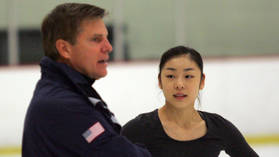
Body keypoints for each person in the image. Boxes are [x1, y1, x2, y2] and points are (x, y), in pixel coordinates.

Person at [22, 3, 152, 157]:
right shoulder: (63, 105)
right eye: (96, 40)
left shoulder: (70, 93)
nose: (108, 47)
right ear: (65, 49)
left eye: (106, 38)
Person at [121, 46, 259, 157]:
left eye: (188, 76)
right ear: (160, 81)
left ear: (202, 81)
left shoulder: (219, 127)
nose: (179, 84)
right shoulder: (139, 129)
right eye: (170, 76)